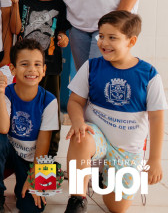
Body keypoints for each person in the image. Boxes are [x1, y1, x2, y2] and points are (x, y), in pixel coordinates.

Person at [63, 11, 166, 213]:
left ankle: (103, 175)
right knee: (80, 137)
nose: (104, 42)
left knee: (117, 208)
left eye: (112, 37)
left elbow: (157, 118)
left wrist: (154, 159)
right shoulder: (92, 67)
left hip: (126, 151)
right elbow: (75, 101)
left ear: (131, 41)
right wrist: (78, 122)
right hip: (96, 139)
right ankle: (77, 199)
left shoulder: (149, 75)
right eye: (101, 36)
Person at [0, 39, 59, 213]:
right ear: (13, 69)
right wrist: (0, 93)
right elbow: (2, 129)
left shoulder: (49, 100)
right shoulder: (7, 92)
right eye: (24, 64)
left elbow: (44, 143)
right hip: (11, 153)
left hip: (35, 158)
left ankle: (26, 185)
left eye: (37, 64)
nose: (32, 69)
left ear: (44, 70)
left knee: (33, 208)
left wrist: (33, 176)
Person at [8, 0, 70, 157]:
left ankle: (49, 157)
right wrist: (15, 3)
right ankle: (19, 152)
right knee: (23, 108)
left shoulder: (58, 5)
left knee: (50, 109)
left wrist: (63, 38)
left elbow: (62, 32)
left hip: (50, 67)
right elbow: (15, 29)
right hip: (24, 67)